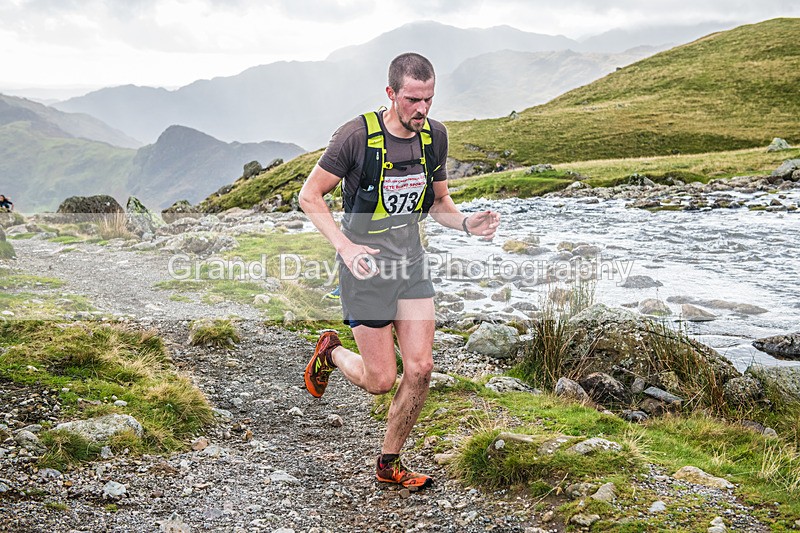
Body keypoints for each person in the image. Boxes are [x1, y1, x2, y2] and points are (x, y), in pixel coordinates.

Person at [298, 52, 500, 490]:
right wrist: (346, 246)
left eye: (429, 99)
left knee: (422, 368)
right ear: (391, 93)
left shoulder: (434, 138)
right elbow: (310, 196)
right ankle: (330, 353)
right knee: (380, 380)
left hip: (410, 264)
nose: (422, 110)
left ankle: (389, 461)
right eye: (412, 99)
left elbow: (439, 203)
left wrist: (466, 223)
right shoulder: (355, 137)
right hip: (364, 270)